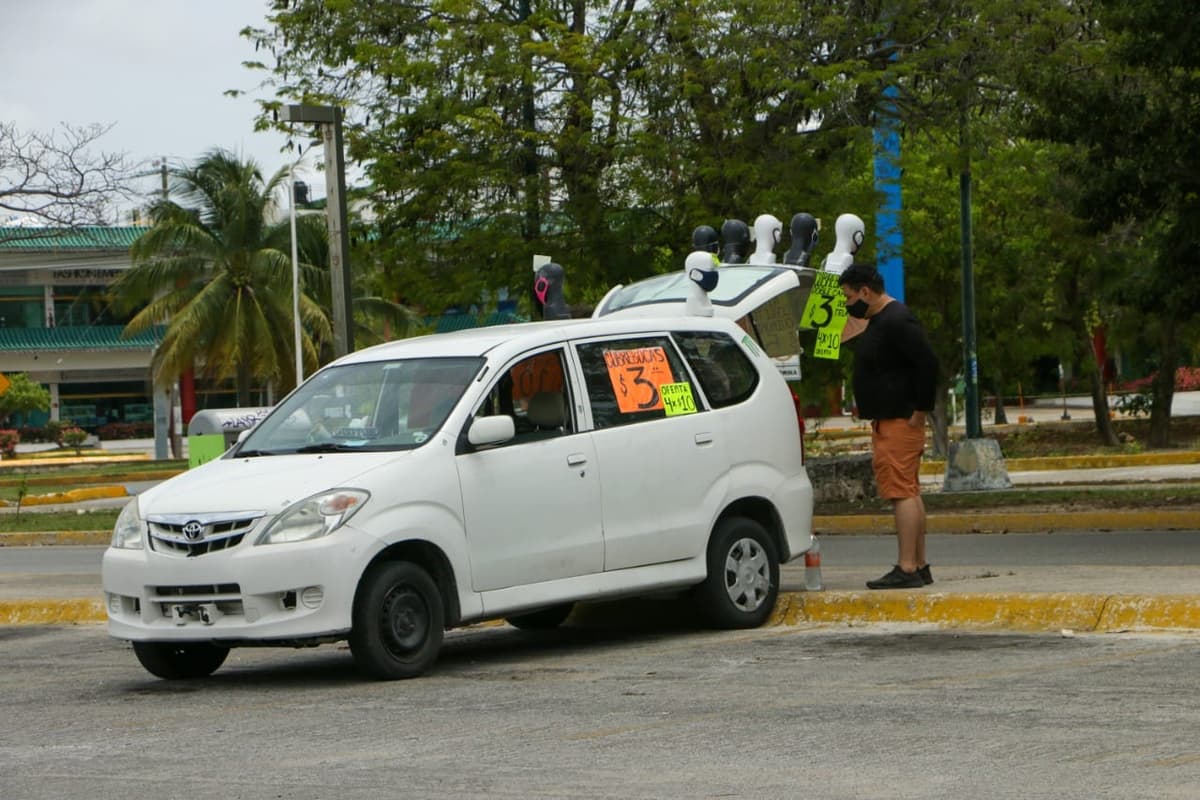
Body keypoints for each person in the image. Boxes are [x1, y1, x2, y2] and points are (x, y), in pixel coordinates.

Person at [838, 263, 939, 589]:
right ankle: (919, 564)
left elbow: (928, 362)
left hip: (899, 420)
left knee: (901, 493)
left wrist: (921, 410)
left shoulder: (897, 319)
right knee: (908, 490)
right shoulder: (877, 321)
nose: (847, 303)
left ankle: (907, 567)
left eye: (849, 296)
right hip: (890, 419)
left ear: (865, 291)